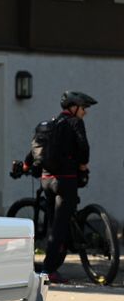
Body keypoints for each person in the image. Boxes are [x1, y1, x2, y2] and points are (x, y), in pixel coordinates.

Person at [39, 90, 97, 283]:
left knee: (53, 224)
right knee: (60, 227)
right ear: (74, 107)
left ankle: (52, 262)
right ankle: (49, 270)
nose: (85, 113)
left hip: (48, 180)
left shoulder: (53, 122)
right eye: (84, 109)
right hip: (66, 179)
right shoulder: (75, 122)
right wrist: (83, 164)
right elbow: (84, 148)